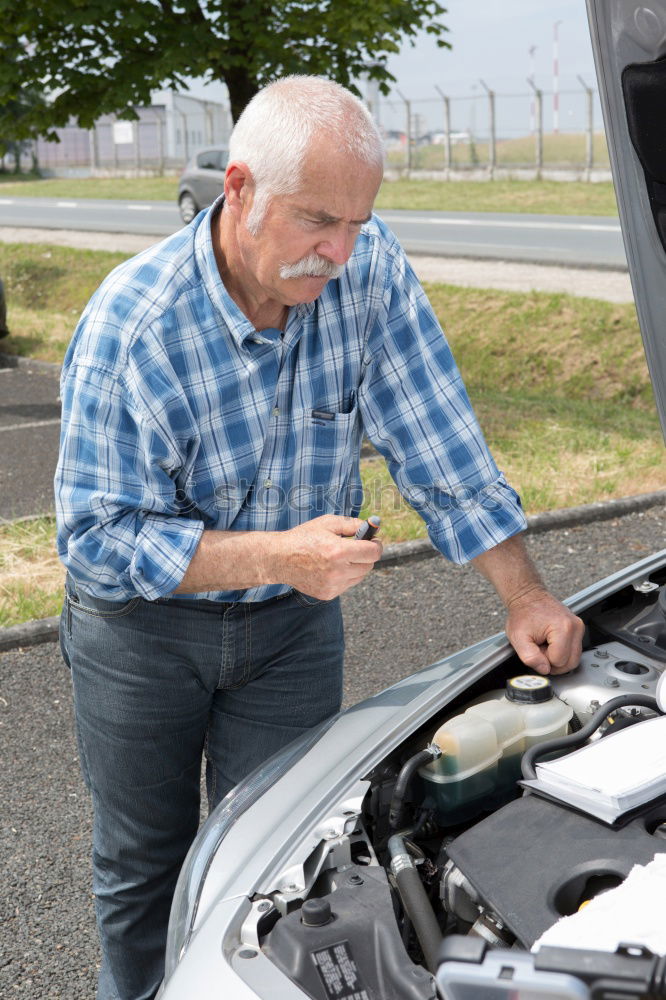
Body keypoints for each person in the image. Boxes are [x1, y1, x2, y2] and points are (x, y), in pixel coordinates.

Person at [55, 75, 584, 1000]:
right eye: (315, 222)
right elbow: (97, 537)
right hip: (142, 633)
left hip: (290, 632)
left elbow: (439, 440)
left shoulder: (368, 270)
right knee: (144, 874)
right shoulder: (136, 327)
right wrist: (278, 553)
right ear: (240, 189)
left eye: (358, 221)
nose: (338, 251)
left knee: (284, 866)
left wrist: (526, 594)